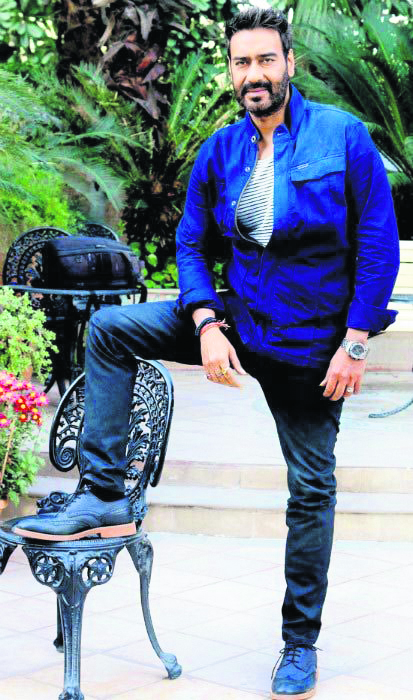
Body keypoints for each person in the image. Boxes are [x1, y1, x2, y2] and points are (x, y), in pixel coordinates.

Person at [13, 8, 399, 699]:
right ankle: (103, 493)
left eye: (266, 60)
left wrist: (355, 341)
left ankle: (298, 644)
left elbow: (376, 243)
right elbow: (191, 242)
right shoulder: (221, 151)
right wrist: (205, 321)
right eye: (241, 63)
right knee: (111, 330)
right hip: (240, 320)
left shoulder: (341, 136)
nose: (254, 74)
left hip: (312, 344)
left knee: (312, 489)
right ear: (231, 71)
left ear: (289, 64)